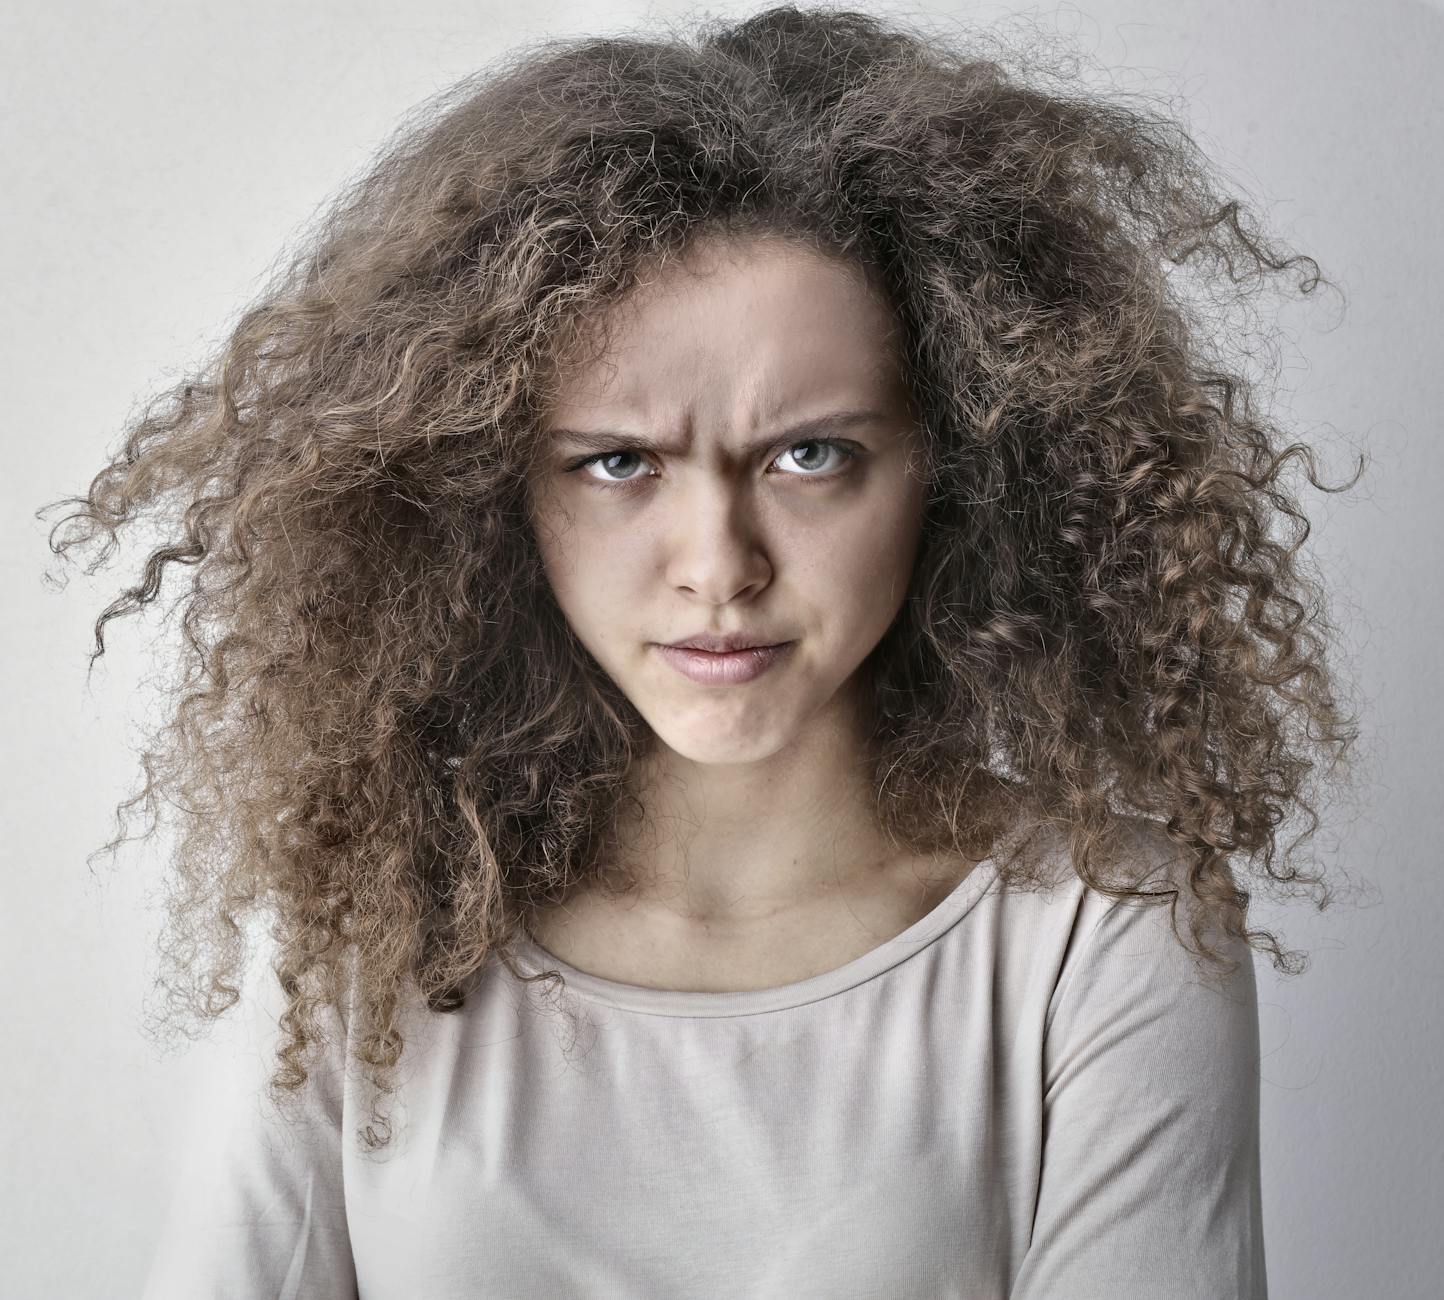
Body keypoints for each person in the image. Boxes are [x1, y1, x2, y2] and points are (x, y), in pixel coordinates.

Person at [41, 6, 1364, 1297]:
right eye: (619, 463)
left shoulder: (1102, 930)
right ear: (499, 494)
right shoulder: (363, 932)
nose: (719, 563)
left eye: (809, 455)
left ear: (949, 470)